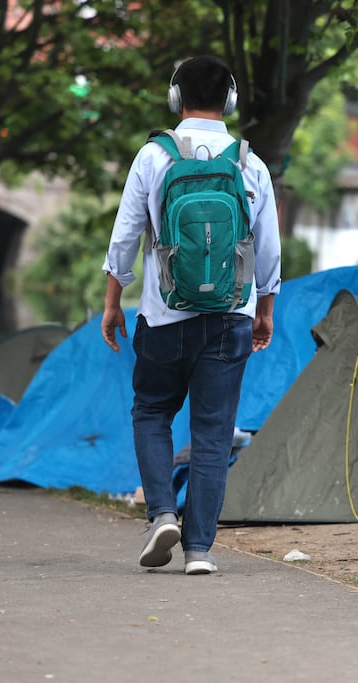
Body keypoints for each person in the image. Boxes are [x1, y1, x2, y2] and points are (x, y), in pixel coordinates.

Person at [100, 56, 281, 575]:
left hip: (162, 317)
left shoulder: (153, 156)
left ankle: (161, 512)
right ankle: (199, 550)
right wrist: (264, 312)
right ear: (230, 102)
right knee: (213, 432)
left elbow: (126, 235)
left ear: (175, 100)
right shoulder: (251, 163)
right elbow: (267, 253)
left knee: (152, 411)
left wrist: (114, 302)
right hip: (230, 318)